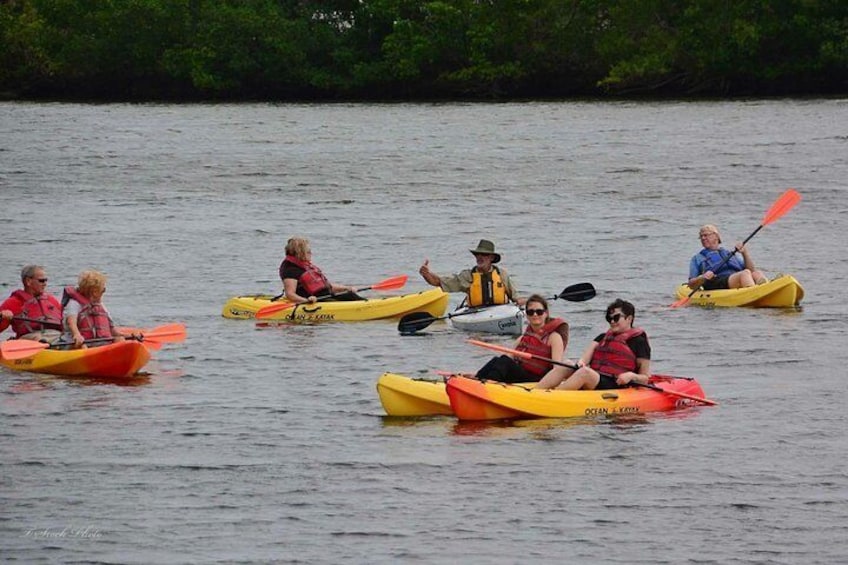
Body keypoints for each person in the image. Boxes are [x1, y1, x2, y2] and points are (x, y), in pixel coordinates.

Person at [536, 299, 650, 390]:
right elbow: (584, 360)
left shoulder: (639, 342)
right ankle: (536, 392)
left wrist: (631, 376)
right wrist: (581, 363)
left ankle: (553, 397)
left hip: (616, 384)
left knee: (585, 373)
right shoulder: (602, 337)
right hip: (596, 378)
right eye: (609, 318)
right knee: (567, 364)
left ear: (629, 318)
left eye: (616, 318)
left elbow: (644, 378)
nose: (612, 322)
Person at [475, 294, 568, 383]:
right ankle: (477, 378)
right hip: (520, 375)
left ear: (546, 313)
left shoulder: (554, 337)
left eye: (539, 312)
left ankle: (489, 383)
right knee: (497, 360)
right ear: (527, 315)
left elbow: (557, 369)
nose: (535, 315)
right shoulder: (523, 337)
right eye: (530, 312)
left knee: (504, 361)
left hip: (537, 380)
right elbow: (508, 356)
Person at [419, 239, 524, 307]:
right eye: (478, 254)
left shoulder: (502, 274)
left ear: (491, 258)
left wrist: (527, 302)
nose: (480, 257)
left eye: (484, 254)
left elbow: (516, 298)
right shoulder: (467, 276)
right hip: (476, 314)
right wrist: (426, 274)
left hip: (500, 312)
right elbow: (439, 282)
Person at [279, 237, 362, 304]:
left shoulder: (305, 266)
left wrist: (347, 288)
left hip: (325, 296)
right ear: (299, 253)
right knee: (349, 297)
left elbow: (326, 287)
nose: (311, 254)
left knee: (349, 294)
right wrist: (306, 301)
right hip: (315, 300)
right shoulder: (290, 269)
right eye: (308, 252)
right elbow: (290, 294)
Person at [59, 270, 127, 348]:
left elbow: (112, 328)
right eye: (103, 289)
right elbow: (71, 322)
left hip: (98, 342)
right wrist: (76, 334)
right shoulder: (74, 304)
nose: (103, 292)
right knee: (82, 346)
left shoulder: (100, 305)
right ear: (94, 291)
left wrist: (124, 336)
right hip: (77, 342)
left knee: (120, 339)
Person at [688, 224, 767, 290]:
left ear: (716, 236)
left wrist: (744, 253)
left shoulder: (729, 253)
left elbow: (751, 270)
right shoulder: (697, 258)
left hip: (734, 278)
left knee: (757, 273)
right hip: (716, 281)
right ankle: (754, 294)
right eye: (701, 236)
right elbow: (691, 284)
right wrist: (702, 278)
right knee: (745, 273)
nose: (703, 238)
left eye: (706, 235)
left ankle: (766, 290)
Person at [0, 265, 63, 343]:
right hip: (31, 338)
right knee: (40, 339)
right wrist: (3, 318)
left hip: (56, 335)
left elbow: (65, 321)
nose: (45, 284)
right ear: (28, 281)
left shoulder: (51, 300)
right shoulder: (12, 302)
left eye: (46, 280)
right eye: (41, 281)